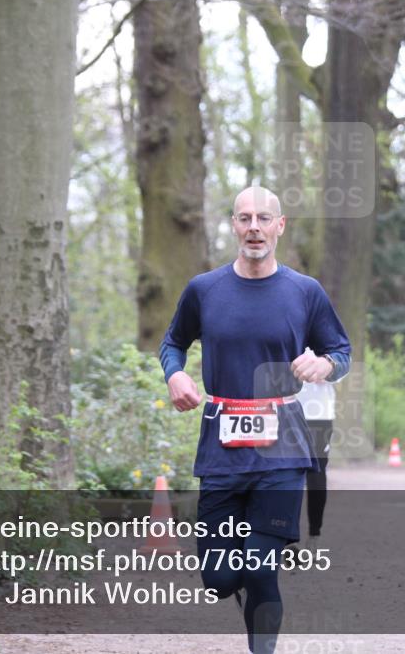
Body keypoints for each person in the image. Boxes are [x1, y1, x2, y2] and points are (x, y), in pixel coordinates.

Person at [160, 186, 351, 654]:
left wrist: (324, 366)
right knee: (219, 578)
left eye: (263, 218)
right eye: (244, 218)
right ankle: (242, 578)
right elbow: (172, 343)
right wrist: (176, 375)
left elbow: (341, 352)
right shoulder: (204, 290)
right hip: (221, 447)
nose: (254, 227)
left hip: (281, 449)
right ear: (233, 225)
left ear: (279, 226)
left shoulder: (305, 292)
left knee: (262, 567)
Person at [295, 378, 335, 551]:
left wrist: (324, 367)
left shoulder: (327, 350)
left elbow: (340, 367)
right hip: (286, 410)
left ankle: (314, 535)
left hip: (320, 415)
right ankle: (287, 538)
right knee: (285, 474)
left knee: (316, 475)